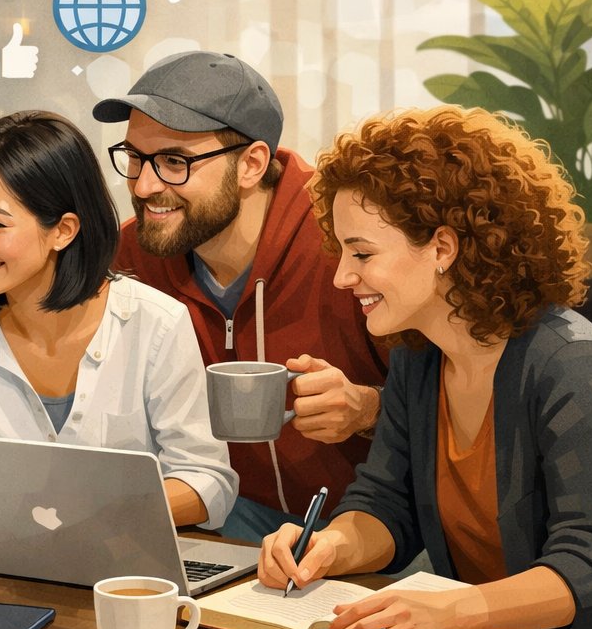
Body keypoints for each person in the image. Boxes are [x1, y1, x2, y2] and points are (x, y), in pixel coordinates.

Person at [259, 106, 592, 629]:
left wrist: (451, 612)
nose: (343, 277)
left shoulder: (575, 368)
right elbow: (384, 503)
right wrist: (332, 547)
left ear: (443, 246)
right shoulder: (420, 361)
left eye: (362, 253)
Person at [95, 51, 388, 541]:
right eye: (134, 158)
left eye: (173, 162)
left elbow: (455, 401)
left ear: (252, 163)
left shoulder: (347, 241)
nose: (144, 185)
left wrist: (368, 409)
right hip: (217, 523)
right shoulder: (131, 254)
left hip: (370, 532)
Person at [0, 111, 236, 528]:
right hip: (1, 555)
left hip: (129, 571)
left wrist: (100, 511)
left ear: (64, 230)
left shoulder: (157, 323)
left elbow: (206, 480)